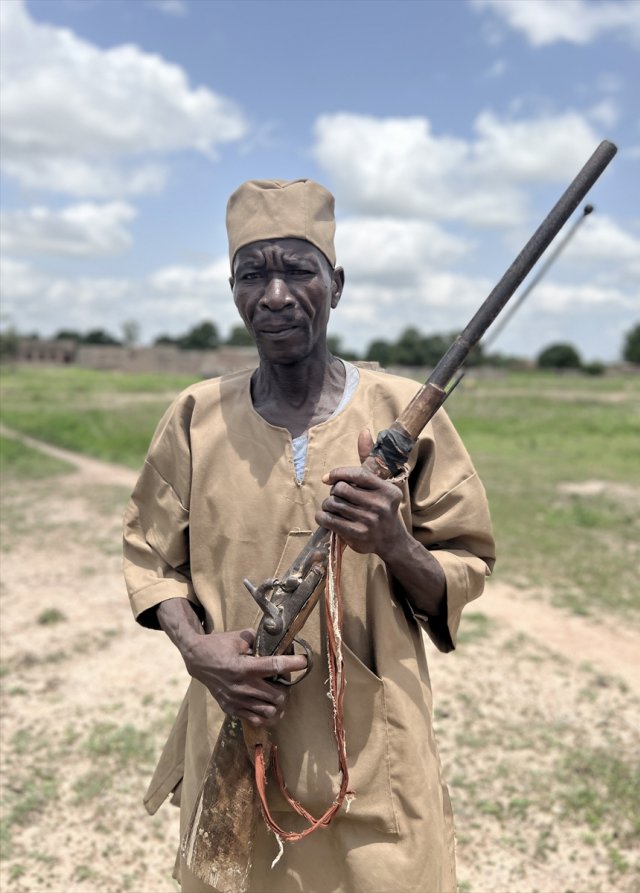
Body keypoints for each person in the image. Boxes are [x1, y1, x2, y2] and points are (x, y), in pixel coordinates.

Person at [123, 178, 496, 893]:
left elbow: (465, 561)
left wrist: (395, 541)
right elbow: (150, 555)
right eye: (252, 273)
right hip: (240, 724)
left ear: (337, 283)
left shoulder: (402, 413)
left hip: (373, 756)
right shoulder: (194, 415)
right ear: (232, 290)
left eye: (298, 268)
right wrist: (197, 648)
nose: (275, 294)